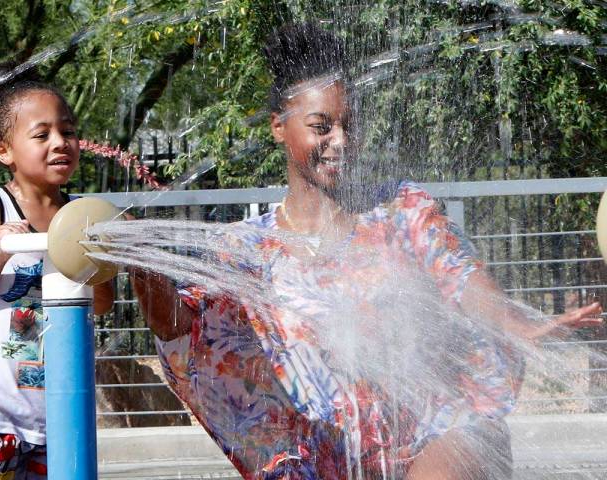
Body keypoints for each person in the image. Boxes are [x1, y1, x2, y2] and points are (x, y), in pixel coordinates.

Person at [132, 24, 602, 480]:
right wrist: (137, 262)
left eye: (348, 125)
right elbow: (181, 328)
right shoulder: (244, 250)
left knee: (466, 445)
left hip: (436, 426)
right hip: (326, 453)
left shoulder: (399, 208)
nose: (341, 141)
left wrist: (516, 322)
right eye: (321, 126)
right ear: (279, 127)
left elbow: (458, 275)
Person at [0, 73, 114, 479]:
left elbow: (104, 303)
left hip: (60, 408)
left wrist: (100, 259)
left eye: (68, 131)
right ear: (5, 151)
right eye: (42, 135)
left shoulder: (80, 216)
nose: (60, 142)